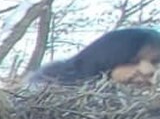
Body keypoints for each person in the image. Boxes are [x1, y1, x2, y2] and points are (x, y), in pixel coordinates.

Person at [26, 27, 160, 88]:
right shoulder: (50, 87)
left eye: (155, 62)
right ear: (104, 61)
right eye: (133, 62)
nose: (148, 70)